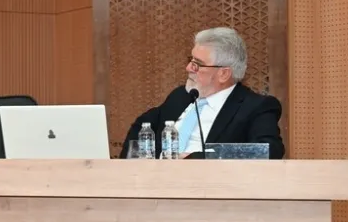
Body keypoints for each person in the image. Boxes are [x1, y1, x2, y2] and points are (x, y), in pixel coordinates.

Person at [119, 27, 285, 159]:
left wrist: (198, 159)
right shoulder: (181, 96)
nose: (188, 68)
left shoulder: (255, 107)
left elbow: (269, 150)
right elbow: (142, 126)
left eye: (197, 64)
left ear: (223, 74)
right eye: (190, 60)